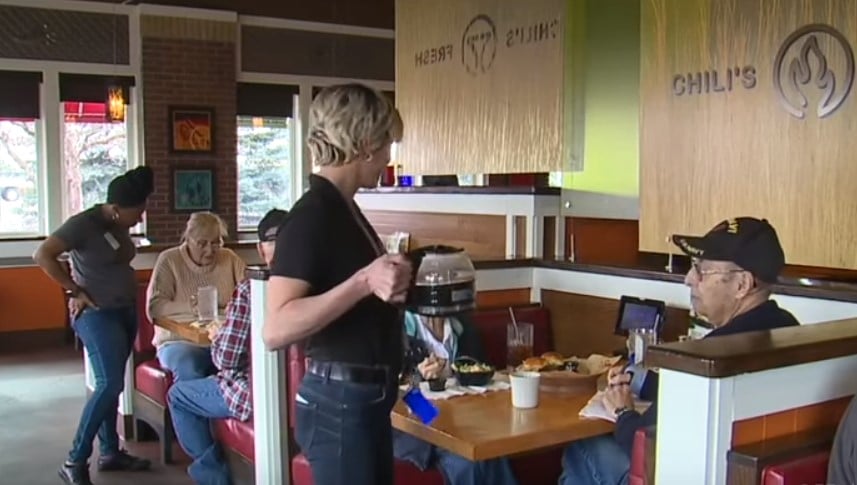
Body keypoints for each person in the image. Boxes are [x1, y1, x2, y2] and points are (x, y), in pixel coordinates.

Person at [559, 217, 800, 485]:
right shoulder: (789, 328)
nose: (688, 279)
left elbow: (645, 442)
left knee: (583, 448)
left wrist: (622, 412)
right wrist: (639, 379)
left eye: (700, 270)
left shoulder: (709, 356)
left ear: (742, 285)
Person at [263, 83, 412, 485]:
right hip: (339, 406)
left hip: (365, 400)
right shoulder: (312, 215)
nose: (388, 157)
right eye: (385, 145)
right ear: (364, 144)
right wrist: (365, 280)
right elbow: (275, 329)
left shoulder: (344, 210)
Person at [33, 166, 155, 485]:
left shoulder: (117, 225)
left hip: (124, 311)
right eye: (137, 212)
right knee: (108, 383)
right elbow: (43, 254)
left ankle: (111, 452)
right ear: (116, 210)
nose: (140, 218)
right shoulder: (81, 225)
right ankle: (74, 460)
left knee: (113, 382)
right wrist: (74, 290)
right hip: (97, 315)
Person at [167, 209, 288, 485]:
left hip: (256, 394)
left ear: (260, 248)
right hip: (321, 399)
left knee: (178, 395)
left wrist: (220, 335)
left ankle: (213, 475)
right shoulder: (333, 286)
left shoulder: (253, 289)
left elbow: (226, 359)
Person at [395, 311, 519, 485]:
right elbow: (397, 389)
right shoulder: (399, 325)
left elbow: (480, 374)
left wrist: (452, 373)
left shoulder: (461, 325)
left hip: (464, 418)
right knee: (468, 460)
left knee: (491, 451)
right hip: (414, 420)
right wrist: (418, 376)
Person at [147, 211, 246, 381]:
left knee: (250, 366)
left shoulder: (229, 258)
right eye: (202, 244)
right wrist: (193, 306)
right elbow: (155, 308)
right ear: (188, 239)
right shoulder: (169, 260)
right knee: (188, 366)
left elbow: (249, 295)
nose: (210, 250)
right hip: (179, 342)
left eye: (216, 243)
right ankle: (187, 405)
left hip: (224, 340)